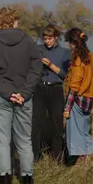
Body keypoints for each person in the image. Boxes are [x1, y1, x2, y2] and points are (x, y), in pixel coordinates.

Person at [0, 7, 42, 184]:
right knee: (24, 140)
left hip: (1, 96)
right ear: (15, 21)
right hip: (24, 97)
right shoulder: (28, 41)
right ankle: (27, 180)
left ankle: (5, 183)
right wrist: (23, 93)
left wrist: (8, 92)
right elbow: (36, 69)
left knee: (2, 141)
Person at [32, 24, 70, 162]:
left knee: (57, 124)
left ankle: (57, 157)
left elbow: (65, 75)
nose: (47, 41)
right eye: (45, 38)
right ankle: (35, 156)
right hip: (40, 89)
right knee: (35, 123)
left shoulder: (64, 53)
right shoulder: (37, 50)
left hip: (55, 89)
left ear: (56, 38)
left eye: (50, 38)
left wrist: (50, 66)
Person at [63, 28, 93, 164]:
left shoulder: (78, 59)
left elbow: (75, 85)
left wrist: (67, 107)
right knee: (84, 131)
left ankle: (77, 163)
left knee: (75, 133)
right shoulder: (92, 57)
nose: (68, 45)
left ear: (74, 43)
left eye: (69, 43)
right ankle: (89, 160)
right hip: (89, 99)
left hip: (78, 99)